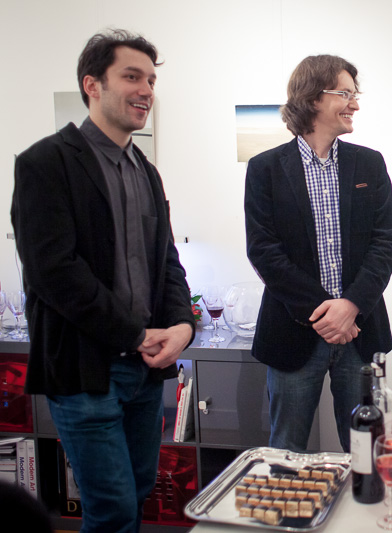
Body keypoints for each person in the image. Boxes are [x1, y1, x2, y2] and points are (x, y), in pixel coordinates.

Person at [11, 30, 195, 532]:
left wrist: (182, 326)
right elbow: (55, 273)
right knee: (111, 509)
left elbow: (167, 262)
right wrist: (135, 333)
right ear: (92, 85)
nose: (146, 90)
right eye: (132, 77)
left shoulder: (146, 171)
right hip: (85, 370)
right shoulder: (44, 163)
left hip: (145, 372)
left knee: (137, 494)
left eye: (151, 80)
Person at [245, 55, 392, 452]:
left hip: (359, 331)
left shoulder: (369, 163)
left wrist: (350, 306)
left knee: (366, 452)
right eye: (345, 94)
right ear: (314, 97)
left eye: (354, 95)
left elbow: (385, 242)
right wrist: (326, 313)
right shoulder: (265, 168)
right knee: (286, 453)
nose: (355, 104)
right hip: (293, 333)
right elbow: (263, 251)